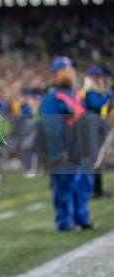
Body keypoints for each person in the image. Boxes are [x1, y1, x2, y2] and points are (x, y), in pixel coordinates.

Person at [40, 57, 95, 231]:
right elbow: (52, 126)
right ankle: (65, 222)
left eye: (72, 69)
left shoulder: (77, 94)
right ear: (58, 74)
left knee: (83, 186)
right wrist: (58, 150)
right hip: (66, 150)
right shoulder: (52, 98)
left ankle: (82, 218)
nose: (72, 72)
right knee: (65, 187)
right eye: (68, 69)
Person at [80, 65, 112, 198]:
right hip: (91, 125)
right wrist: (108, 95)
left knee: (97, 158)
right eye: (98, 77)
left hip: (93, 125)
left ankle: (97, 189)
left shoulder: (91, 89)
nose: (101, 79)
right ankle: (93, 189)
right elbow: (97, 105)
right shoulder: (89, 90)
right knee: (94, 159)